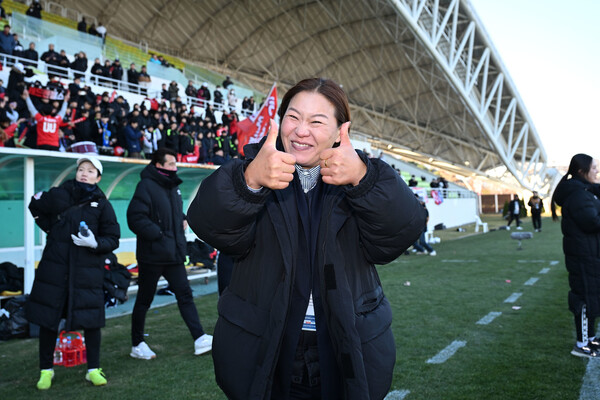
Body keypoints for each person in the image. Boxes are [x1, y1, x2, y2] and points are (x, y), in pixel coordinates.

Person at [187, 78, 425, 399]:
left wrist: (363, 180)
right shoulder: (250, 169)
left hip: (342, 345)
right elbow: (210, 225)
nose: (301, 130)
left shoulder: (363, 175)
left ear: (341, 130)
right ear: (280, 121)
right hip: (265, 345)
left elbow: (400, 234)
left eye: (316, 121)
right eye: (293, 117)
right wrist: (250, 182)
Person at [26, 157, 120, 389]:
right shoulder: (60, 193)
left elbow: (113, 238)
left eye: (90, 170)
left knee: (91, 322)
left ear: (98, 178)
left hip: (87, 272)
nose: (84, 173)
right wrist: (51, 228)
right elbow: (35, 207)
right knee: (49, 321)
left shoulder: (102, 204)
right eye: (80, 169)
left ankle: (93, 369)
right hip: (55, 269)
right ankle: (46, 370)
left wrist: (95, 243)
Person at [126, 147, 213, 360]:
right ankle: (137, 344)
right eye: (171, 164)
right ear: (159, 165)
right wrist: (159, 235)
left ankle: (199, 337)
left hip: (173, 254)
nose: (175, 167)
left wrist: (182, 217)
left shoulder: (173, 187)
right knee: (144, 300)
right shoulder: (145, 186)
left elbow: (170, 212)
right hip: (153, 255)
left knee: (185, 295)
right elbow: (135, 218)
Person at [551, 153, 600, 358]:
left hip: (590, 253)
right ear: (582, 171)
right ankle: (581, 344)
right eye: (594, 168)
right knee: (584, 297)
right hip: (582, 255)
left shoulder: (584, 190)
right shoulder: (578, 194)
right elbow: (592, 222)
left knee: (593, 296)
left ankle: (590, 339)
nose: (597, 171)